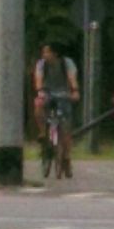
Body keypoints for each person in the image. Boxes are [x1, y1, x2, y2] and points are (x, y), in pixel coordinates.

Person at [33, 43, 78, 179]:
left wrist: (75, 91)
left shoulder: (67, 63)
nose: (44, 55)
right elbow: (38, 78)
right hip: (47, 93)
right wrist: (40, 90)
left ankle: (66, 158)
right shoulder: (41, 64)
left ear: (55, 54)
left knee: (66, 129)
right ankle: (42, 132)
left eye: (47, 52)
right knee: (39, 105)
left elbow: (72, 77)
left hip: (64, 94)